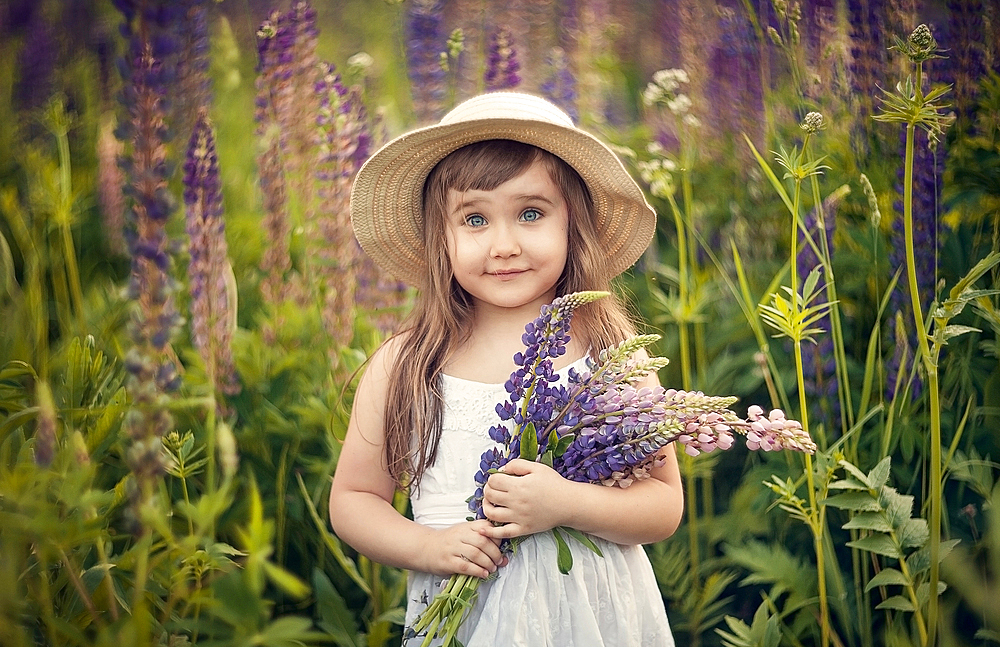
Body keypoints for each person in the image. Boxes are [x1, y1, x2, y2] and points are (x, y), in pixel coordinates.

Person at [329, 92, 683, 646]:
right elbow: (354, 500)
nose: (504, 245)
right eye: (474, 219)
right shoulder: (407, 363)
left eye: (531, 213)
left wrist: (566, 503)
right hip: (466, 614)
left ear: (574, 224)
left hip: (591, 617)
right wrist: (427, 546)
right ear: (439, 238)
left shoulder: (612, 354)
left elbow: (662, 505)